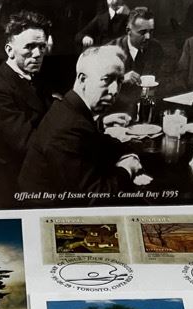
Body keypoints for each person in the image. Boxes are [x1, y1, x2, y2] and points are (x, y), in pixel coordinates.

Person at [15, 45, 143, 198]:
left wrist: (128, 152)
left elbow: (97, 141)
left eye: (119, 81)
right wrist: (127, 170)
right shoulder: (67, 127)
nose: (115, 90)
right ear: (82, 79)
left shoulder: (70, 108)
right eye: (106, 80)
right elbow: (93, 197)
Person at [0, 11, 54, 201]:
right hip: (14, 185)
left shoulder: (34, 76)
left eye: (42, 47)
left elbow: (55, 117)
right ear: (9, 50)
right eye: (30, 47)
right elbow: (29, 144)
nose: (38, 54)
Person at [110, 6, 166, 84]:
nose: (148, 37)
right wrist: (121, 79)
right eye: (142, 32)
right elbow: (97, 83)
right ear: (128, 31)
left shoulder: (156, 48)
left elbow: (163, 78)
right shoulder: (110, 51)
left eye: (151, 32)